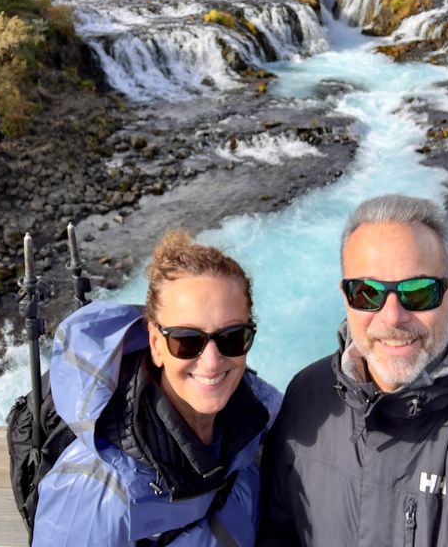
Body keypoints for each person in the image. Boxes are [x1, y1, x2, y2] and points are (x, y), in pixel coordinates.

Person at [259, 194, 448, 546]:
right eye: (367, 292)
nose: (393, 316)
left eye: (418, 292)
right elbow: (278, 530)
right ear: (346, 297)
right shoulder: (306, 397)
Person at [32, 229, 281, 546]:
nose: (212, 361)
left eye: (232, 337)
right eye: (187, 341)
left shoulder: (255, 418)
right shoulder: (95, 491)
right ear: (155, 344)